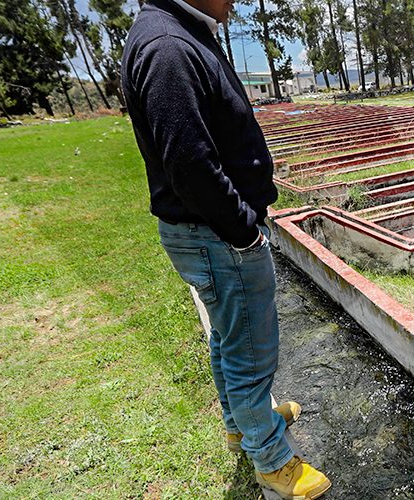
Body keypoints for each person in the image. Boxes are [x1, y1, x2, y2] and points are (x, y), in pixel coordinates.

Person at [120, 0, 330, 498]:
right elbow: (189, 163)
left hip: (208, 232)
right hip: (216, 233)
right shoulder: (168, 46)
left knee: (229, 337)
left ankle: (243, 425)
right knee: (251, 351)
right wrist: (244, 231)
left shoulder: (177, 31)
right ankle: (272, 460)